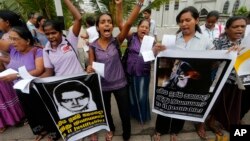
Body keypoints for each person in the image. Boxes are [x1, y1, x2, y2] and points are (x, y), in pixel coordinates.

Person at [86, 0, 145, 140]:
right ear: (98, 27)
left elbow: (128, 24)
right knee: (107, 111)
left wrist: (134, 5)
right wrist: (89, 68)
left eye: (109, 22)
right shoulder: (92, 46)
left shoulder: (116, 41)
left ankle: (126, 133)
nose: (106, 24)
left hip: (120, 84)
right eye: (103, 22)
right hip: (103, 86)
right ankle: (110, 129)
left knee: (124, 112)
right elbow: (91, 65)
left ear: (112, 26)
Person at [153, 6, 213, 141]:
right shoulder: (172, 39)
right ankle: (160, 130)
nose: (184, 24)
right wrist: (157, 50)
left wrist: (231, 53)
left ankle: (175, 131)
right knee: (166, 103)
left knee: (182, 107)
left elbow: (214, 61)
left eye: (188, 20)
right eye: (181, 21)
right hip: (170, 80)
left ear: (196, 20)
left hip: (190, 83)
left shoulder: (206, 41)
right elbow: (162, 59)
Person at [208, 16, 247, 134]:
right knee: (217, 103)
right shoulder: (218, 43)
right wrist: (227, 54)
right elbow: (211, 64)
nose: (240, 29)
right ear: (227, 29)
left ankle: (227, 123)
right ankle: (211, 122)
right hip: (222, 80)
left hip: (239, 80)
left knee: (233, 104)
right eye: (235, 27)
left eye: (242, 26)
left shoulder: (245, 42)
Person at [0, 10, 26, 133]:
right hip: (12, 71)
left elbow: (12, 55)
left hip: (18, 71)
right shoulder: (6, 35)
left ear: (7, 22)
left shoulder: (11, 35)